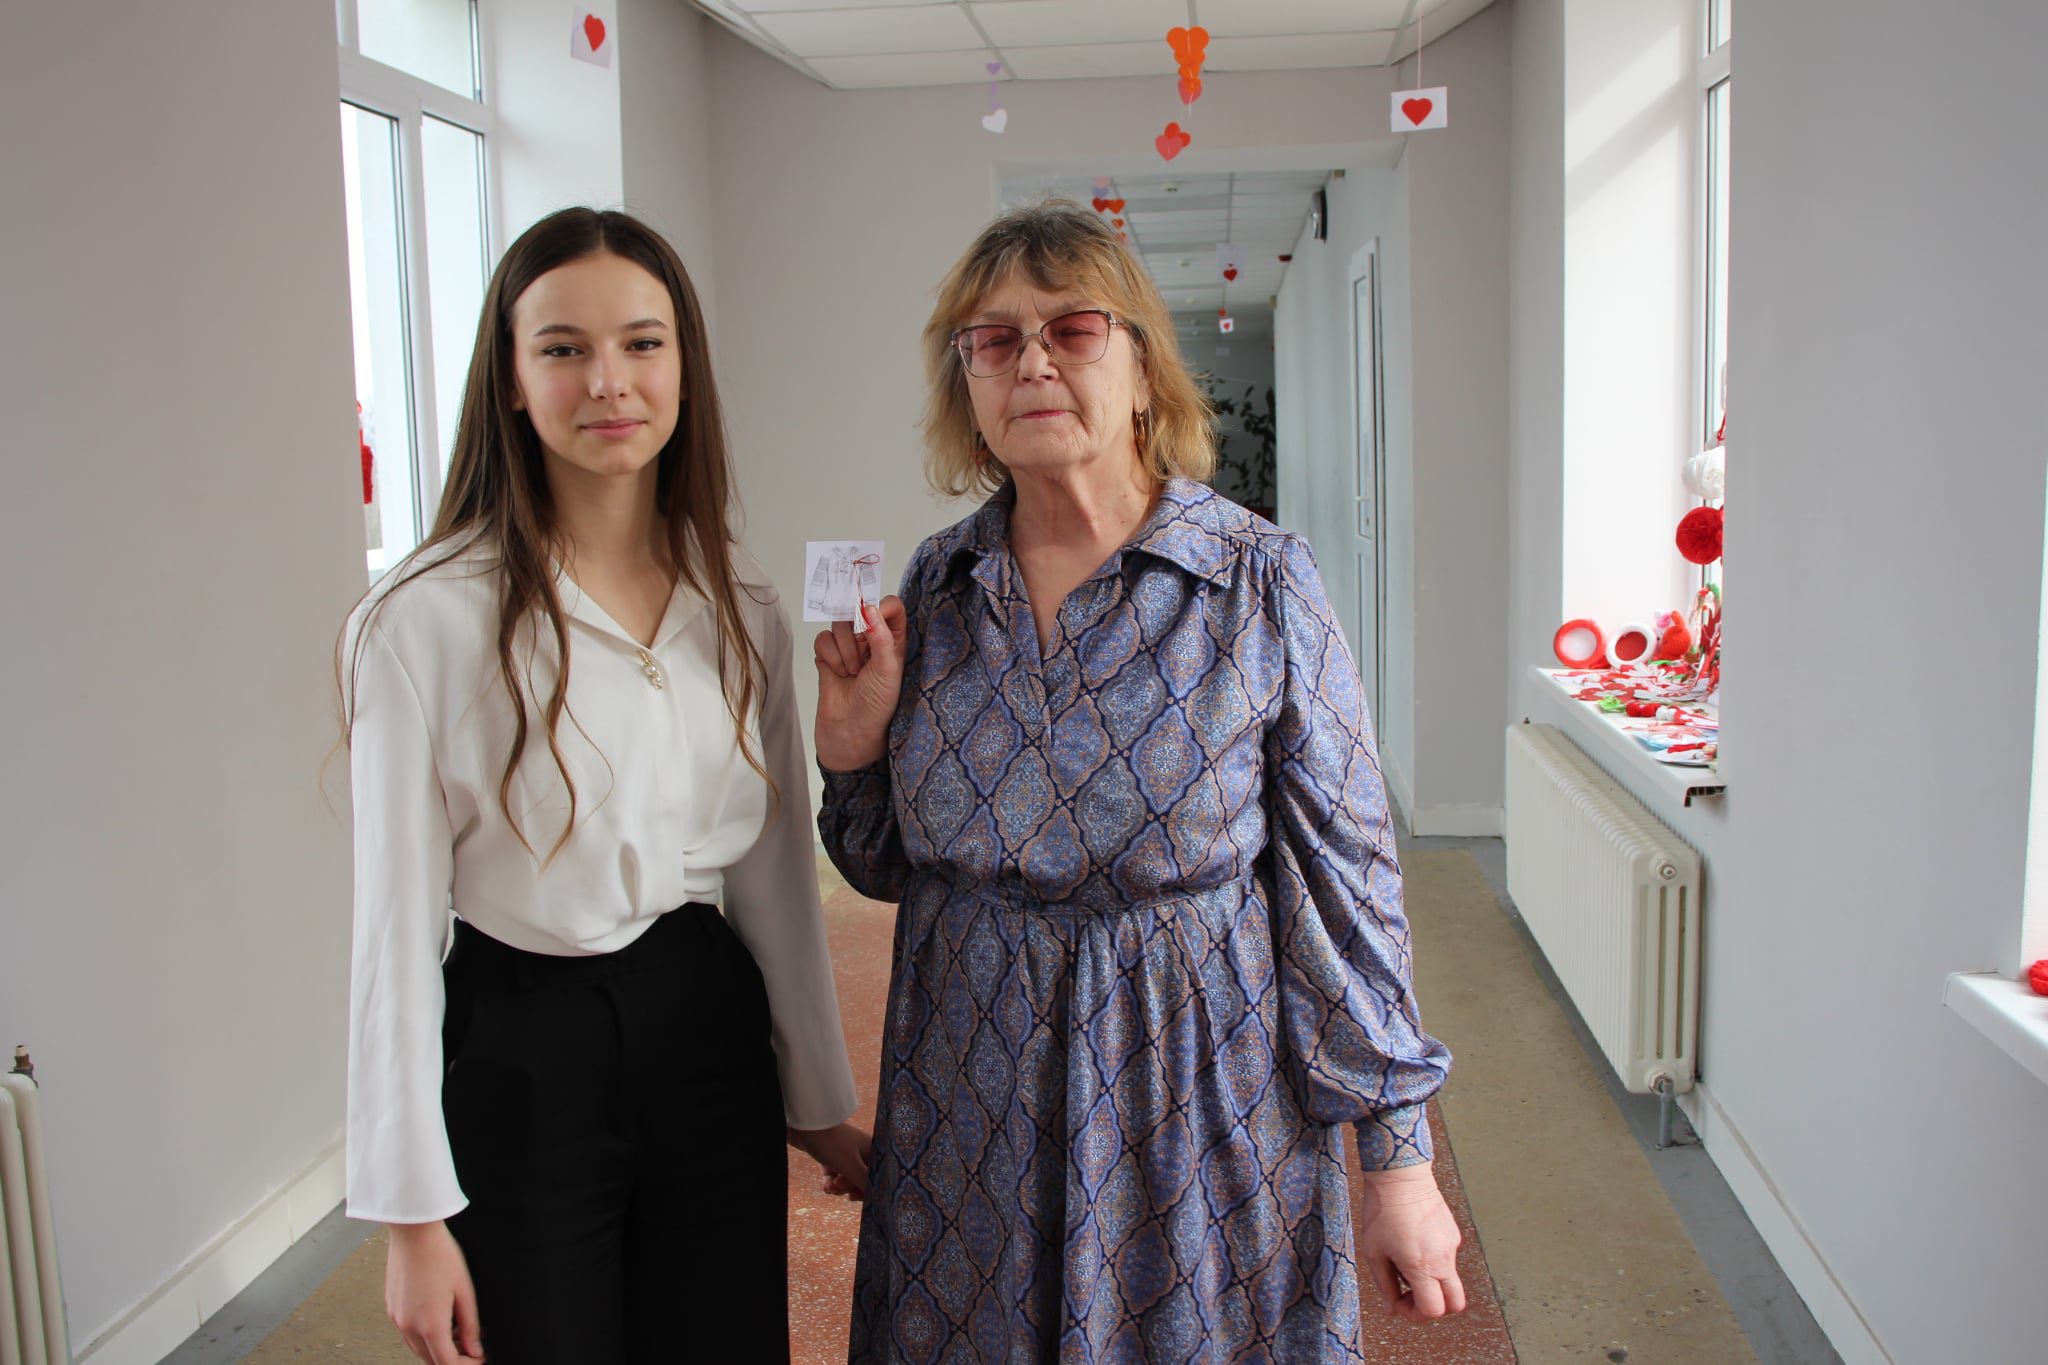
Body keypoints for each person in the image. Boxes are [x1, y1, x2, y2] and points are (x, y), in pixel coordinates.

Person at [813, 201, 1463, 1361]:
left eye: (1071, 329)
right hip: (969, 1101)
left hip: (1197, 1093)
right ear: (966, 379)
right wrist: (851, 745)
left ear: (1143, 367)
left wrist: (1397, 1163)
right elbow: (883, 866)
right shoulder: (938, 583)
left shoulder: (1256, 581)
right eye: (994, 340)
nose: (1032, 363)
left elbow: (1347, 883)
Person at [340, 207, 868, 1364]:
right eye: (562, 348)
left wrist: (816, 1100)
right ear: (510, 379)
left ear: (683, 365)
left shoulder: (740, 600)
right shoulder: (421, 620)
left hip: (706, 1030)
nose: (608, 382)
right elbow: (391, 929)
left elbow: (774, 877)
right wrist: (410, 1216)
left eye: (641, 343)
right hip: (522, 1048)